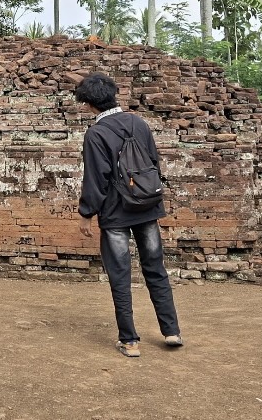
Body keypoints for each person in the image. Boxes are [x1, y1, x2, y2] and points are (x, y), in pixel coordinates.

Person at [74, 72, 183, 358]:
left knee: (120, 274)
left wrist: (86, 213)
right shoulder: (138, 122)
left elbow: (96, 179)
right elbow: (153, 162)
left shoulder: (96, 133)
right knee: (155, 269)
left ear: (89, 104)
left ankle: (130, 341)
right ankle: (171, 331)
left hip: (116, 213)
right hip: (147, 207)